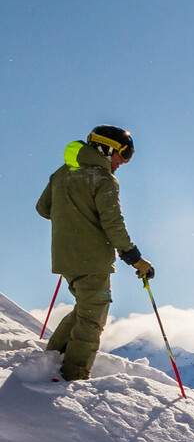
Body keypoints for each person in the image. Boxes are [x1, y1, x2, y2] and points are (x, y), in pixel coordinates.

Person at [34, 125, 154, 382]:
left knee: (84, 309)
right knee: (92, 318)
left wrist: (72, 215)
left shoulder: (62, 173)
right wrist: (134, 257)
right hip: (92, 259)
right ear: (106, 148)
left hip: (65, 258)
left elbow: (43, 209)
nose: (123, 161)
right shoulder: (102, 178)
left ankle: (49, 360)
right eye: (123, 154)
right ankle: (73, 376)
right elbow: (113, 223)